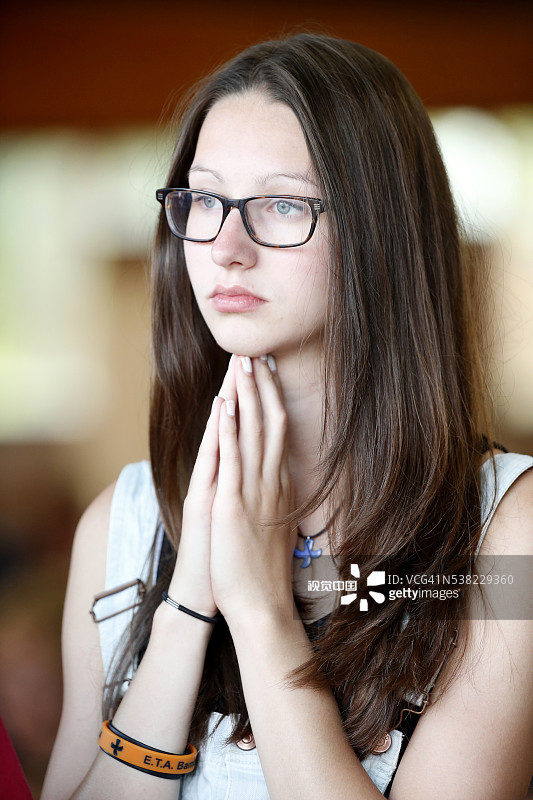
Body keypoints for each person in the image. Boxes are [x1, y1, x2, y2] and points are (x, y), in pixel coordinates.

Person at [41, 33, 533, 800]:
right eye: (203, 199)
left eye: (279, 203)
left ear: (384, 231)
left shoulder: (508, 532)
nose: (225, 247)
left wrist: (262, 610)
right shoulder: (121, 525)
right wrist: (186, 603)